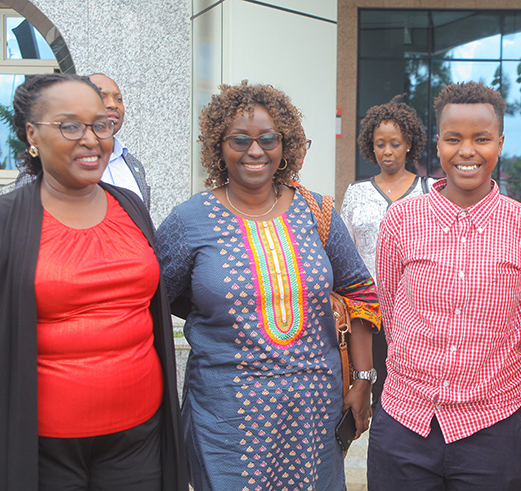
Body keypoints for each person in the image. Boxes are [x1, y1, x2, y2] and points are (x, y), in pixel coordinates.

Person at [0, 73, 186, 490]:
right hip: (40, 450)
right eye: (70, 126)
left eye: (100, 125)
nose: (90, 139)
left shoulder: (131, 207)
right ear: (32, 134)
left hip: (138, 442)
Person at [155, 81, 380, 491]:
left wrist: (363, 378)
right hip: (228, 420)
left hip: (313, 415)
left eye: (268, 139)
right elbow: (154, 299)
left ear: (285, 144)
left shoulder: (317, 210)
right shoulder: (189, 220)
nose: (255, 151)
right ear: (219, 146)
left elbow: (360, 290)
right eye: (239, 140)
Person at [368, 81, 521, 490]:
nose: (467, 151)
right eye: (454, 139)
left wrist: (492, 379)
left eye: (481, 139)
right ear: (438, 144)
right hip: (405, 421)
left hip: (495, 427)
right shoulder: (401, 220)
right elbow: (391, 307)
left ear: (500, 143)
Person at [341, 95, 428, 406]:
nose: (387, 151)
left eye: (395, 143)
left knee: (410, 392)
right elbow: (344, 254)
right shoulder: (356, 193)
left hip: (416, 314)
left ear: (409, 145)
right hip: (367, 314)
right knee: (372, 389)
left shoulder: (429, 191)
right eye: (380, 144)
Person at [15, 73, 151, 209]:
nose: (113, 105)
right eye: (102, 96)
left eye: (118, 99)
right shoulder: (49, 164)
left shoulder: (133, 165)